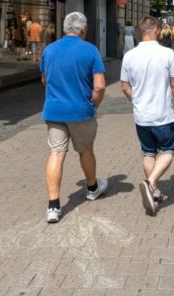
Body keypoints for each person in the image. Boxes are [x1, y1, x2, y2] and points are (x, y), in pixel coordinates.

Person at [40, 12, 108, 224]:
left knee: (56, 153)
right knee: (85, 151)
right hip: (80, 111)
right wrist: (93, 104)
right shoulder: (90, 51)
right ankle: (91, 187)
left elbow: (44, 80)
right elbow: (99, 85)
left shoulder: (49, 50)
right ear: (83, 29)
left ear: (64, 28)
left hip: (54, 111)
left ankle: (53, 206)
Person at [121, 17, 174, 216]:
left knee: (148, 152)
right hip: (162, 114)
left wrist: (137, 101)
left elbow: (124, 86)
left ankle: (155, 192)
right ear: (157, 30)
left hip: (141, 116)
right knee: (168, 150)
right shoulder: (167, 54)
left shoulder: (129, 56)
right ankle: (149, 183)